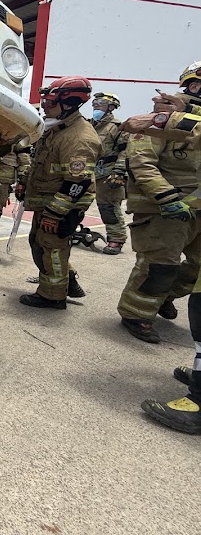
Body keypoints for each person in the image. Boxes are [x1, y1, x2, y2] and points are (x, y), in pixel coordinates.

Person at [119, 61, 201, 433]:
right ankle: (137, 314)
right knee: (159, 265)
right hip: (166, 206)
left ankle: (164, 298)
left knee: (194, 273)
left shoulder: (186, 120)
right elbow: (141, 161)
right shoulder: (163, 118)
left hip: (198, 206)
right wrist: (165, 196)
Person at [17, 77, 100, 309]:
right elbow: (39, 163)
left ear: (69, 103)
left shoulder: (79, 138)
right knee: (41, 244)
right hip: (48, 203)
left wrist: (55, 214)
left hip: (61, 207)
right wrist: (24, 182)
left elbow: (77, 182)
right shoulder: (57, 129)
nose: (45, 106)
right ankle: (68, 280)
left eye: (50, 102)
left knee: (51, 249)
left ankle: (52, 296)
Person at [90, 92, 129, 255]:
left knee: (108, 207)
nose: (96, 105)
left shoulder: (118, 126)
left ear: (111, 107)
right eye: (94, 102)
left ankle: (116, 239)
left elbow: (126, 151)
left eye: (100, 102)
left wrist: (118, 172)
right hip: (88, 171)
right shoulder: (89, 124)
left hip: (107, 173)